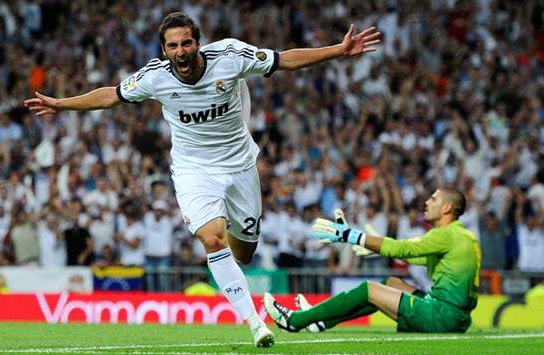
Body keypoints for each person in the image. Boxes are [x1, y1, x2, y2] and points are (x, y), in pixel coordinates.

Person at [24, 12, 380, 347]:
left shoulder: (230, 55)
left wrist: (339, 50)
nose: (180, 51)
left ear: (197, 42)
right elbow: (111, 95)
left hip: (240, 165)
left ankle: (240, 252)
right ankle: (255, 323)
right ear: (163, 50)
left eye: (186, 43)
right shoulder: (154, 77)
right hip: (194, 169)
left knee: (245, 251)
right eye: (172, 46)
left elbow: (284, 59)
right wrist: (62, 104)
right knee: (212, 239)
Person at [264, 186, 481, 334]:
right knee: (391, 283)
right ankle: (321, 321)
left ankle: (294, 321)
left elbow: (404, 249)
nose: (426, 202)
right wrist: (375, 249)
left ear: (446, 208)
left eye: (433, 199)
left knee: (369, 289)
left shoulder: (444, 234)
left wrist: (352, 236)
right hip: (456, 317)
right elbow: (419, 257)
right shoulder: (461, 235)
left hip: (442, 315)